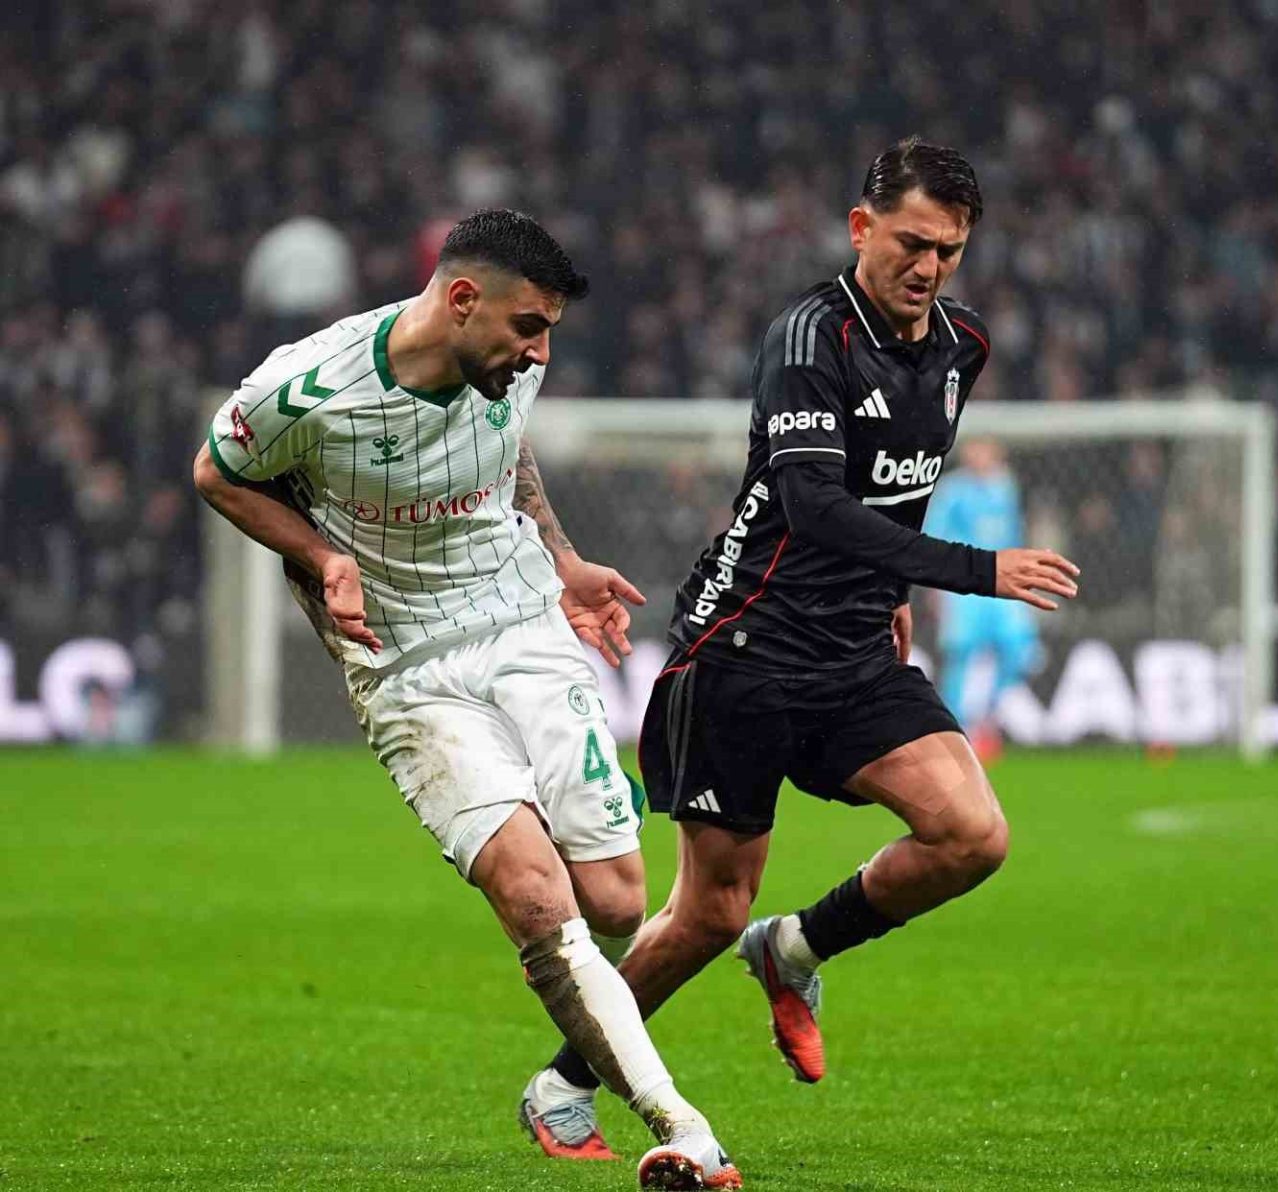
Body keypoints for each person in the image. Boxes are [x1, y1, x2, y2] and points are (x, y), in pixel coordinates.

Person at [524, 138, 1078, 1144]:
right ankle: (563, 1083)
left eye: (949, 250)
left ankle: (796, 950)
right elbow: (815, 505)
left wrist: (894, 582)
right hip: (748, 646)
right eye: (911, 242)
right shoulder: (810, 339)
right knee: (709, 912)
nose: (929, 267)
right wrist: (976, 568)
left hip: (855, 649)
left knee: (972, 835)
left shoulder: (963, 346)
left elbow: (898, 483)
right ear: (862, 228)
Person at [193, 209, 740, 1191]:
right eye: (528, 327)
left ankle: (558, 1064)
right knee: (536, 897)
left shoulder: (507, 363)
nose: (539, 352)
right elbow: (216, 473)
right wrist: (321, 557)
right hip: (408, 667)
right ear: (460, 299)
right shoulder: (306, 388)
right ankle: (684, 1128)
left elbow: (508, 455)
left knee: (617, 901)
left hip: (525, 625)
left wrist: (565, 560)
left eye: (548, 332)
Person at [923, 436, 1039, 760]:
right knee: (961, 654)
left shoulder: (1006, 486)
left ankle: (987, 716)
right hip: (963, 586)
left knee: (1021, 650)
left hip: (1002, 582)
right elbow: (933, 537)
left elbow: (1014, 532)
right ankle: (954, 728)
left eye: (986, 448)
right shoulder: (951, 490)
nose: (980, 455)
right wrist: (936, 587)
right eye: (975, 447)